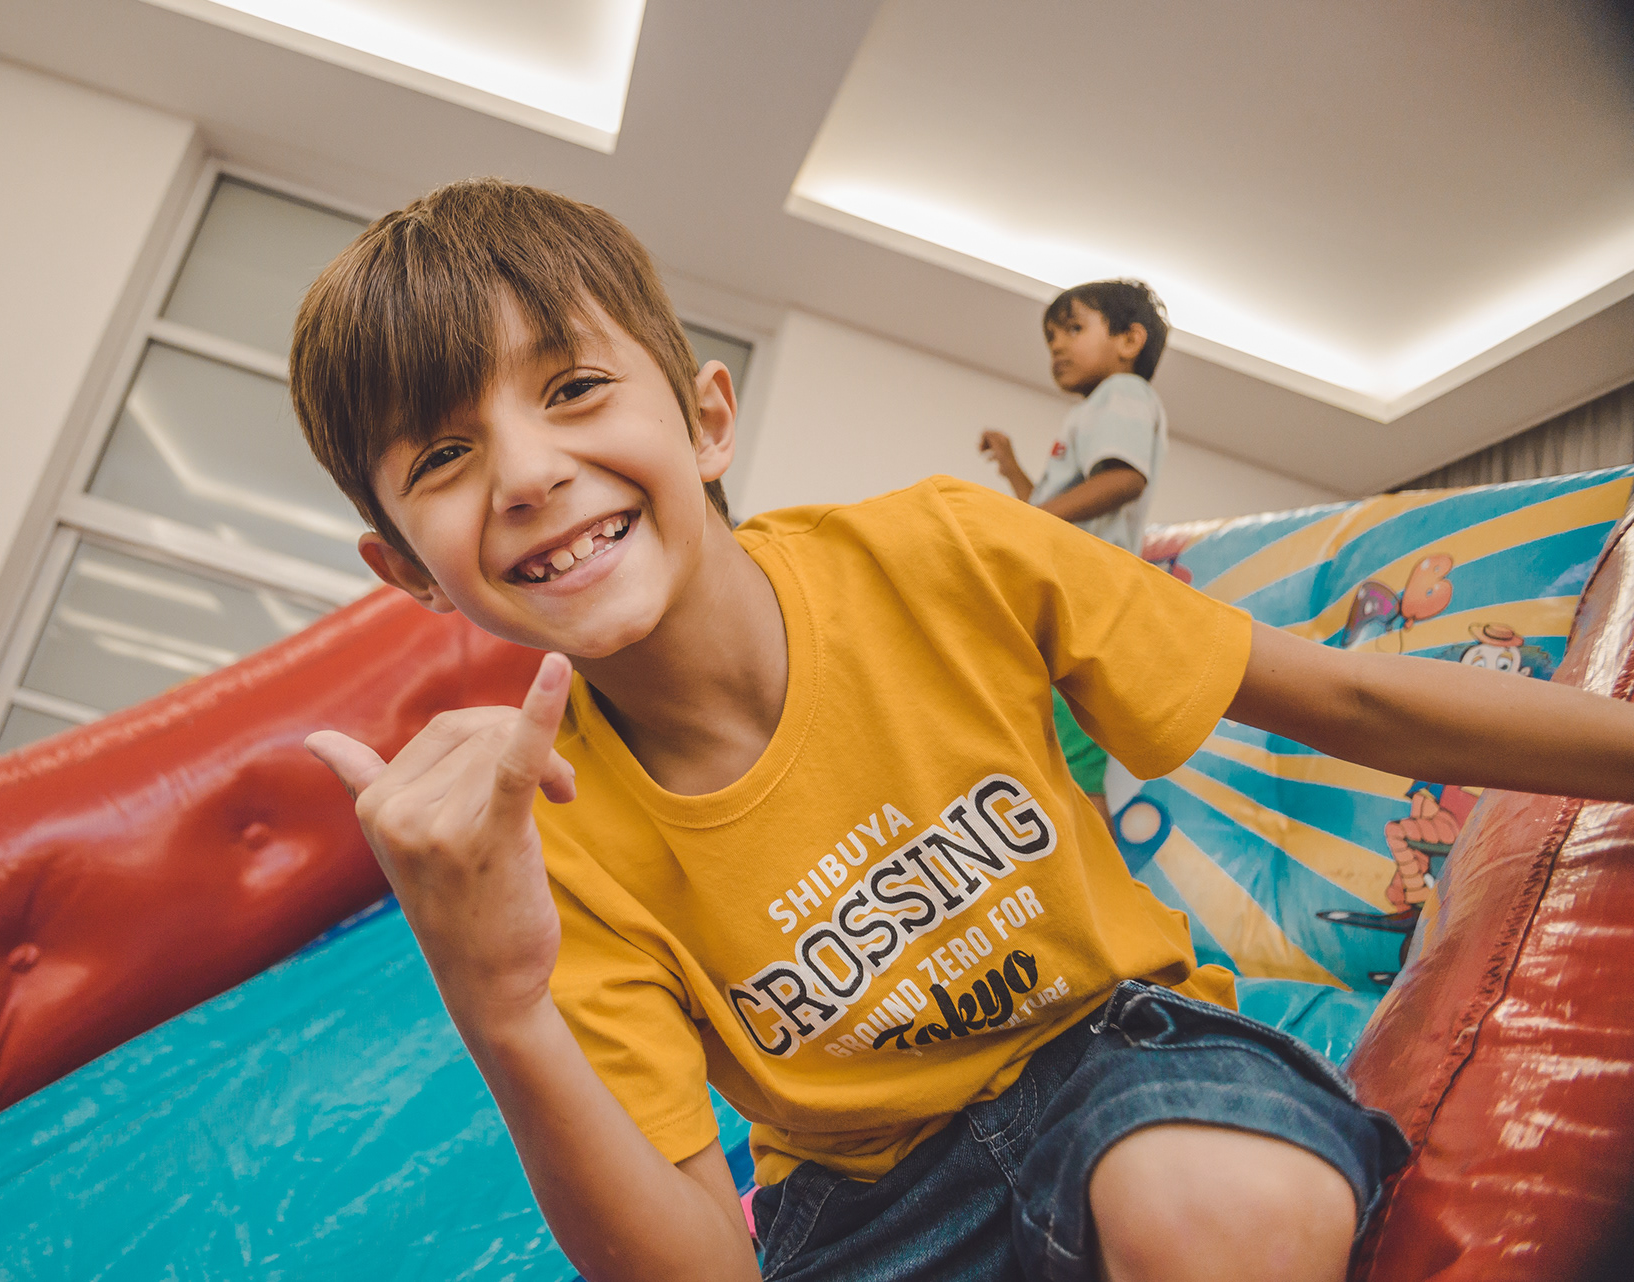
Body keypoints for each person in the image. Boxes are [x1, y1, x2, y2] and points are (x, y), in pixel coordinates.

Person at [289, 179, 1634, 1282]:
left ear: (705, 419)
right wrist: (501, 1007)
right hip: (864, 1200)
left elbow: (1350, 698)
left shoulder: (942, 551)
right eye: (444, 457)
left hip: (1119, 1052)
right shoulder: (549, 834)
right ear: (405, 566)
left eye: (575, 387)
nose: (529, 473)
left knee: (1220, 1208)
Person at [980, 280, 1171, 815]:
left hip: (1086, 601)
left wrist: (1025, 519)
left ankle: (1099, 866)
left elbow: (1124, 478)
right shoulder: (1095, 411)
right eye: (1050, 338)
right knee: (1058, 750)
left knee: (1077, 763)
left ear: (1129, 340)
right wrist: (1013, 468)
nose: (1057, 346)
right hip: (1073, 597)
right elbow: (1050, 510)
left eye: (1072, 328)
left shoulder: (1124, 393)